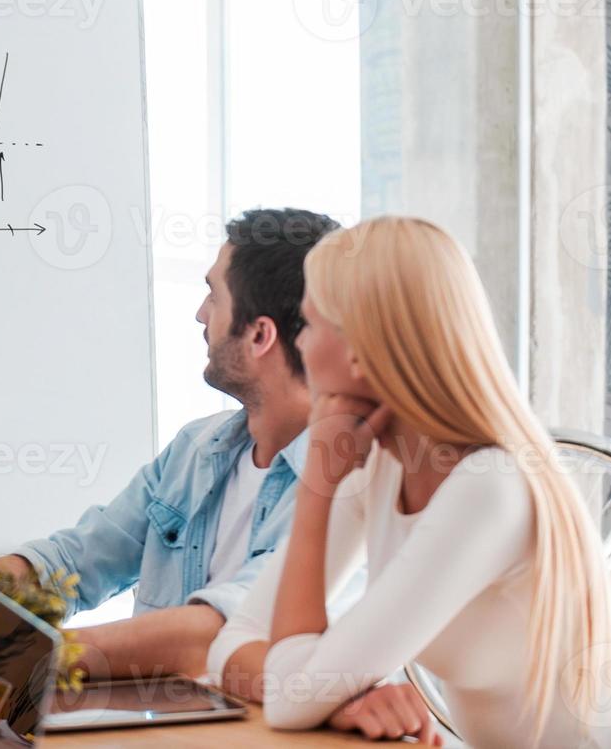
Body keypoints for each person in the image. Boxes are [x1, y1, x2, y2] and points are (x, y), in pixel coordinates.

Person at [208, 216, 611, 748]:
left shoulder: (489, 488)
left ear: (359, 349)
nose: (298, 344)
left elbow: (290, 698)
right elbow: (230, 648)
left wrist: (314, 493)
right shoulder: (378, 462)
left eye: (307, 325)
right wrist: (338, 694)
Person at [0, 207, 338, 678]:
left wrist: (12, 657)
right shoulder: (197, 449)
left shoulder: (341, 481)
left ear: (259, 334)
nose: (199, 315)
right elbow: (70, 567)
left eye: (214, 296)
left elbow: (213, 635)